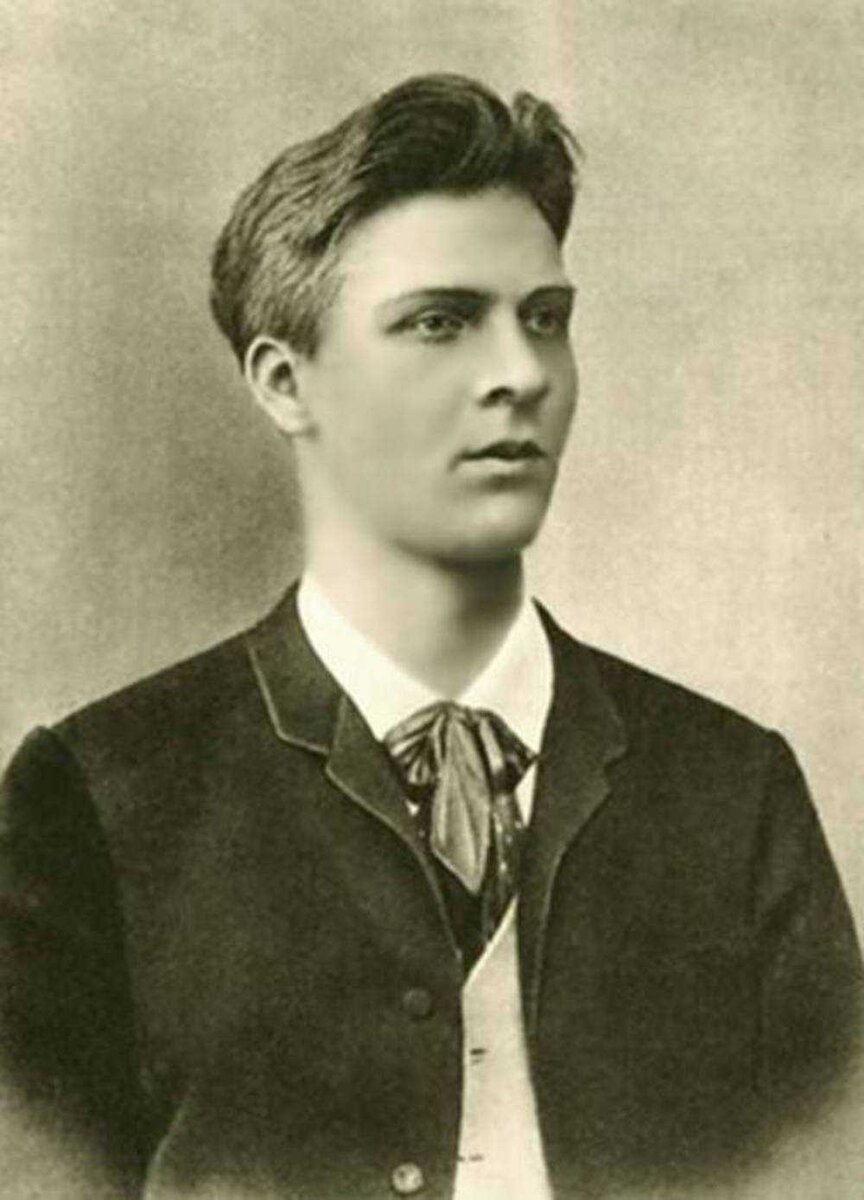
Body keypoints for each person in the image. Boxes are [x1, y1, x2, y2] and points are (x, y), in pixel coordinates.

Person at [1, 74, 860, 1200]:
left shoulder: (731, 789)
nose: (521, 374)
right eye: (440, 322)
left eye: (544, 319)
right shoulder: (100, 799)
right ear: (285, 382)